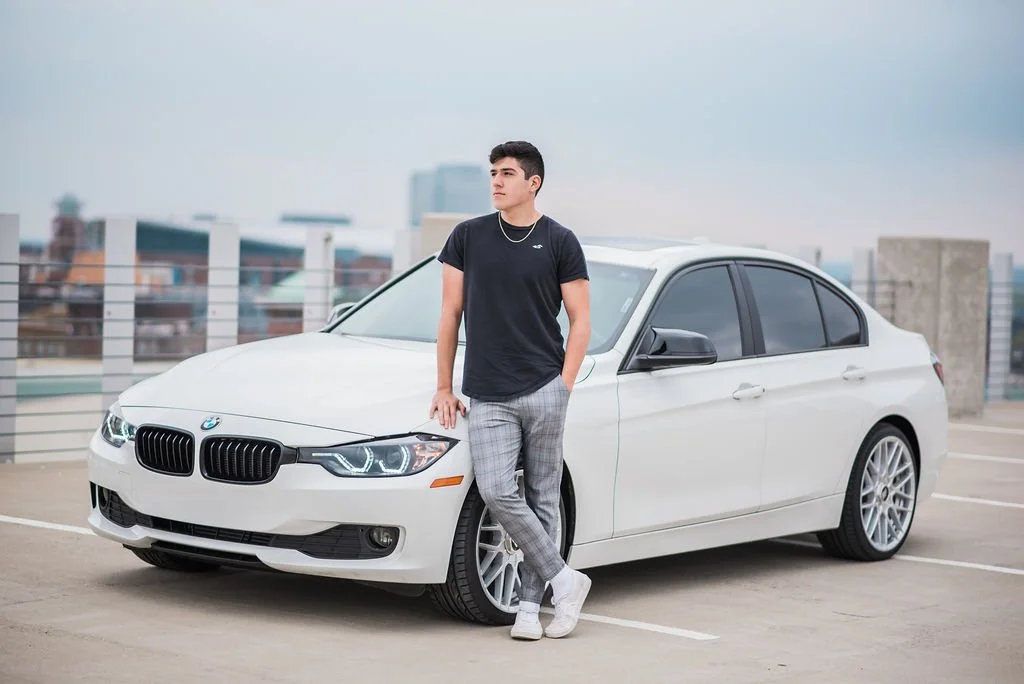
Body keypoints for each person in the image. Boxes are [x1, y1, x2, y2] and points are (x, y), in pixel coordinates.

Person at [429, 140, 593, 640]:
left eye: (506, 173)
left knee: (544, 498)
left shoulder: (560, 241)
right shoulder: (468, 236)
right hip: (489, 393)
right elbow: (450, 315)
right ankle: (565, 581)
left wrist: (563, 385)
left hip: (545, 386)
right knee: (499, 489)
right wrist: (443, 384)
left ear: (532, 182)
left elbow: (581, 319)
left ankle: (528, 609)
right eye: (493, 173)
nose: (495, 182)